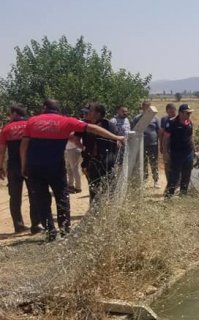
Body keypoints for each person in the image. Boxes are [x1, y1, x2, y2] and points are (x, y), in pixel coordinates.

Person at [21, 99, 124, 240]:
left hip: (34, 166)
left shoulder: (32, 121)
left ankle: (50, 232)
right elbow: (93, 128)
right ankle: (65, 231)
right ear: (58, 109)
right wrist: (116, 137)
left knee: (42, 199)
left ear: (44, 108)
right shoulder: (66, 120)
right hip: (55, 167)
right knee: (61, 197)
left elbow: (24, 145)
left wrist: (23, 165)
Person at [0, 105, 40, 234]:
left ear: (14, 114)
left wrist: (0, 166)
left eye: (10, 114)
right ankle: (35, 225)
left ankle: (18, 225)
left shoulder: (6, 128)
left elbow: (1, 150)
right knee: (34, 194)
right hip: (31, 165)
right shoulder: (31, 125)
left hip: (13, 166)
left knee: (15, 196)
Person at [80, 103, 120, 203]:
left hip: (107, 162)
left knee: (110, 189)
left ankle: (108, 212)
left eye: (90, 110)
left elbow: (116, 144)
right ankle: (94, 213)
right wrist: (84, 149)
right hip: (91, 162)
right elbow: (74, 137)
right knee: (93, 189)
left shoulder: (109, 125)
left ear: (98, 114)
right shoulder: (84, 124)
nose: (86, 112)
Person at [163, 104, 195, 197]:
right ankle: (168, 197)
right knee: (174, 176)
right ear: (181, 113)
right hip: (176, 153)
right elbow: (166, 139)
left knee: (186, 175)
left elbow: (191, 137)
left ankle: (183, 195)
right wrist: (165, 153)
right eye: (187, 113)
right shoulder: (172, 123)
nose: (189, 114)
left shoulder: (189, 122)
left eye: (190, 113)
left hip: (188, 153)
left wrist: (194, 151)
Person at [132, 101, 160, 188]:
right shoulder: (137, 118)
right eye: (146, 107)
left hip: (153, 144)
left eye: (149, 107)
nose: (148, 109)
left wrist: (160, 143)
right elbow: (133, 130)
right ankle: (144, 180)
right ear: (143, 107)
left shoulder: (155, 118)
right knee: (143, 163)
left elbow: (158, 131)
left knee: (154, 162)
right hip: (141, 144)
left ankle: (156, 180)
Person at [65, 113, 84, 194]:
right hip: (69, 149)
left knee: (74, 169)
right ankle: (70, 185)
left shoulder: (76, 125)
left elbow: (71, 138)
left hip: (73, 149)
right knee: (70, 168)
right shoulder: (75, 125)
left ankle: (78, 187)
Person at [159, 103, 176, 186]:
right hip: (167, 146)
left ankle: (176, 184)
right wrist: (161, 146)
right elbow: (161, 133)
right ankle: (169, 183)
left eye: (174, 112)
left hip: (176, 147)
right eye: (171, 112)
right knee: (167, 164)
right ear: (167, 111)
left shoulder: (178, 119)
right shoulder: (164, 120)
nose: (173, 113)